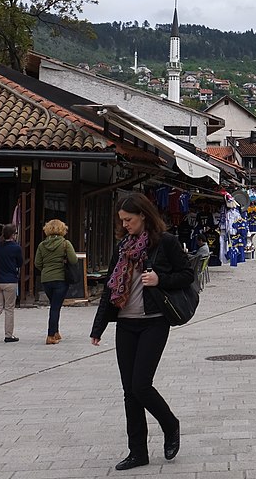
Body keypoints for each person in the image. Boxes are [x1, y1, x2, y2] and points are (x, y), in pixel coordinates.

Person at [90, 193, 193, 471]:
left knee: (140, 385)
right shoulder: (122, 247)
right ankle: (137, 452)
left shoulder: (166, 243)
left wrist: (161, 279)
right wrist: (98, 327)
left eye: (129, 219)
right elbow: (110, 290)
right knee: (128, 391)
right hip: (126, 324)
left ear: (144, 216)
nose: (124, 225)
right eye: (121, 220)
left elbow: (187, 275)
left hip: (154, 322)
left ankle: (170, 424)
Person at [34, 219, 78, 345]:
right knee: (55, 307)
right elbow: (74, 260)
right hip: (60, 279)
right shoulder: (65, 243)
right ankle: (50, 335)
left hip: (46, 279)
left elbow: (37, 263)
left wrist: (46, 269)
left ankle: (56, 331)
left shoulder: (42, 245)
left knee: (55, 305)